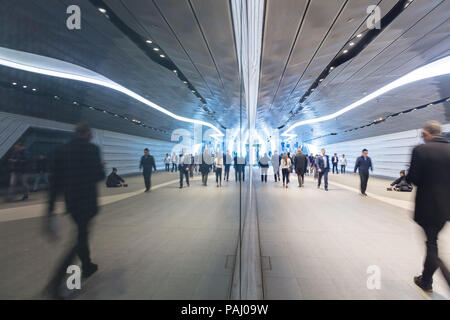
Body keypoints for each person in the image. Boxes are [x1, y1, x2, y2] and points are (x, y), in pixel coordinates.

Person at [45, 123, 105, 298]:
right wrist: (101, 165)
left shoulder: (60, 150)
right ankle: (55, 282)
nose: (92, 137)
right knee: (79, 240)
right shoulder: (92, 149)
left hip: (71, 204)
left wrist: (50, 211)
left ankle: (87, 266)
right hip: (87, 203)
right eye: (91, 134)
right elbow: (99, 176)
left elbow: (54, 183)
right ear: (87, 134)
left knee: (82, 234)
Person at [406, 121, 450, 292]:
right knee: (433, 242)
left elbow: (413, 179)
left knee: (432, 246)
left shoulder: (420, 150)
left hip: (427, 207)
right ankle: (426, 280)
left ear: (426, 133)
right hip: (446, 208)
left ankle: (429, 280)